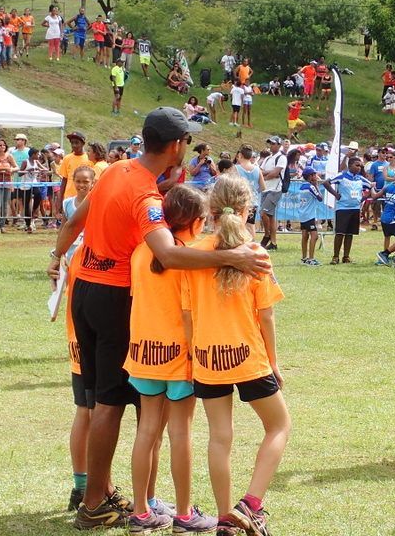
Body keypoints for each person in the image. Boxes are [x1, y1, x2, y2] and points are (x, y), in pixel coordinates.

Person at [49, 108, 269, 529]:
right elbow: (167, 254)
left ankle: (110, 493)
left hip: (85, 291)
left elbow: (75, 221)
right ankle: (95, 504)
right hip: (114, 298)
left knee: (98, 401)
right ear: (176, 145)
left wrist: (57, 257)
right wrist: (233, 257)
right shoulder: (146, 196)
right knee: (110, 404)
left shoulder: (114, 171)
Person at [180, 175, 289, 536]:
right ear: (246, 211)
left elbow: (187, 314)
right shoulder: (255, 253)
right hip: (248, 357)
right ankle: (251, 506)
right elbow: (266, 315)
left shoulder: (193, 253)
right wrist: (273, 361)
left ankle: (226, 518)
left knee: (219, 437)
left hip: (207, 359)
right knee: (279, 426)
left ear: (210, 211)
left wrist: (194, 356)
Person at [125, 185, 217, 533]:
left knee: (146, 430)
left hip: (143, 352)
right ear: (195, 221)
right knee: (181, 434)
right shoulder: (187, 257)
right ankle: (184, 514)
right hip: (180, 357)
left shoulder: (140, 251)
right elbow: (192, 311)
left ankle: (141, 512)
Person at [60, 164, 95, 512]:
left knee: (84, 411)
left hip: (77, 342)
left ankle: (82, 486)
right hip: (91, 344)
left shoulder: (78, 255)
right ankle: (94, 489)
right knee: (95, 413)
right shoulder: (92, 255)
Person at [324, 156, 372, 265]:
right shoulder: (342, 176)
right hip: (342, 208)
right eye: (357, 165)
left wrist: (363, 198)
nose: (359, 168)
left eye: (360, 166)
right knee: (340, 233)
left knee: (350, 233)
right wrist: (336, 195)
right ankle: (335, 256)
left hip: (355, 208)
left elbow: (371, 186)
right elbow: (326, 183)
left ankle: (346, 256)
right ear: (350, 165)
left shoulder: (360, 178)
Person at [259, 137, 287, 251]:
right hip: (266, 188)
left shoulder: (282, 158)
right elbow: (261, 172)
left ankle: (267, 235)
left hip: (275, 189)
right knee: (270, 216)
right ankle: (273, 243)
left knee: (263, 213)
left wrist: (266, 175)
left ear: (279, 145)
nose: (271, 145)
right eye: (270, 143)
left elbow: (275, 173)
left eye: (273, 143)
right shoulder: (267, 158)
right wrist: (268, 173)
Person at [234, 146, 264, 238]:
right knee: (251, 225)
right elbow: (263, 187)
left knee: (238, 224)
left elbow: (232, 185)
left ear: (240, 155)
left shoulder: (236, 168)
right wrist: (254, 192)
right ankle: (252, 244)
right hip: (252, 202)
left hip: (239, 201)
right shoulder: (257, 169)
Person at [297, 167, 324, 266]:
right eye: (314, 175)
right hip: (309, 215)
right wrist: (316, 186)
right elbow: (320, 198)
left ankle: (304, 257)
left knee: (305, 235)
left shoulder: (301, 187)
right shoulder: (310, 187)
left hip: (302, 214)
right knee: (314, 236)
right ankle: (311, 258)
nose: (316, 176)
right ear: (310, 176)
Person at [58, 132, 92, 203]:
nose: (74, 145)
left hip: (84, 199)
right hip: (69, 198)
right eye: (72, 143)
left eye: (77, 143)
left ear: (83, 144)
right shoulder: (67, 158)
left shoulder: (89, 158)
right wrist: (59, 200)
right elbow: (64, 180)